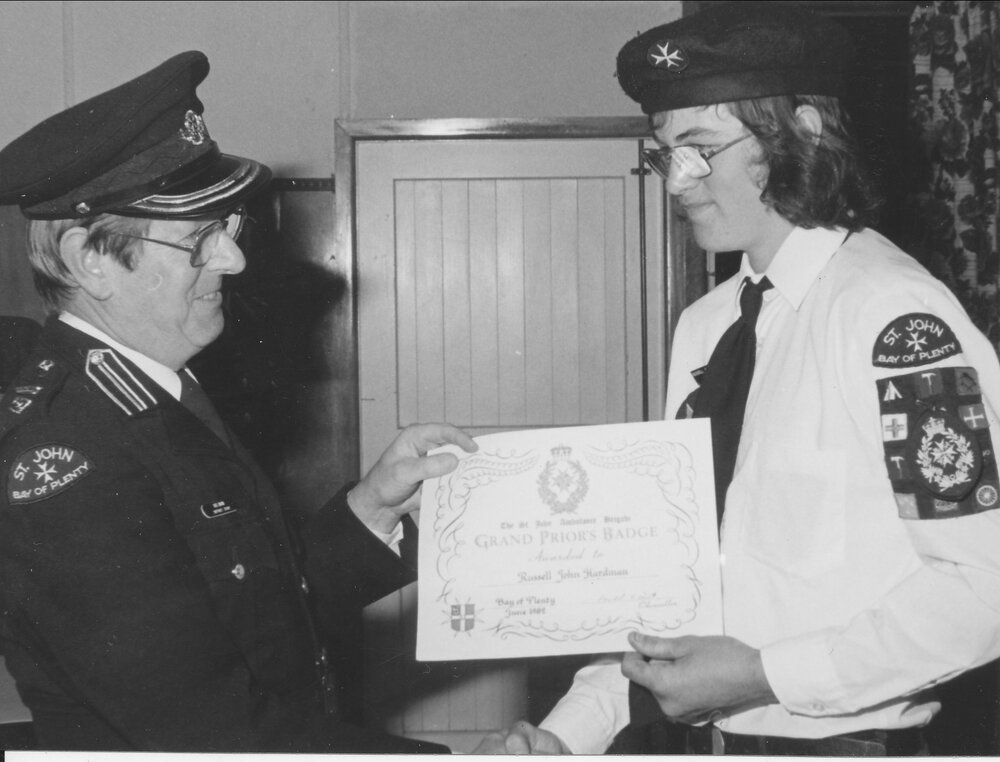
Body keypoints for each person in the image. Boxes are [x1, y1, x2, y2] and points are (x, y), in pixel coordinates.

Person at [477, 2, 1000, 756]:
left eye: (701, 149)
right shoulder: (707, 325)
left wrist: (766, 676)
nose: (677, 181)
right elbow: (674, 583)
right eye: (665, 154)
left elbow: (985, 587)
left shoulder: (894, 320)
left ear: (803, 133)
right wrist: (566, 734)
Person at [0, 51, 476, 752]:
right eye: (200, 239)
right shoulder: (71, 457)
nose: (234, 259)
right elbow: (212, 730)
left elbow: (253, 607)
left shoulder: (156, 391)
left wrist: (371, 508)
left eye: (229, 227)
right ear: (89, 260)